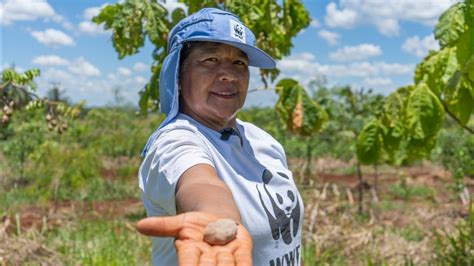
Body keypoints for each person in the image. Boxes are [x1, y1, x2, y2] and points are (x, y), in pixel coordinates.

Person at [137, 7, 304, 266]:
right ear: (178, 74)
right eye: (210, 60)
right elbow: (200, 184)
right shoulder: (174, 141)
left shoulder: (263, 141)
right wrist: (215, 220)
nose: (229, 74)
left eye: (239, 62)